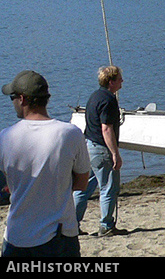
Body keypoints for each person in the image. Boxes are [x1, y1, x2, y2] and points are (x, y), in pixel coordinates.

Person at [0, 70, 90, 257]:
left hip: (17, 235)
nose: (14, 103)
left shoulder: (5, 137)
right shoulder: (70, 134)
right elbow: (82, 183)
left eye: (13, 98)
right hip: (59, 234)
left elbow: (6, 183)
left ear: (23, 99)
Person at [74, 66, 124, 237]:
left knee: (83, 188)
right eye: (119, 79)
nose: (122, 82)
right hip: (102, 149)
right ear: (111, 82)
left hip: (88, 145)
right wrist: (115, 153)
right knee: (108, 188)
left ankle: (71, 224)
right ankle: (106, 225)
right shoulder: (108, 100)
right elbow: (106, 129)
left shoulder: (94, 96)